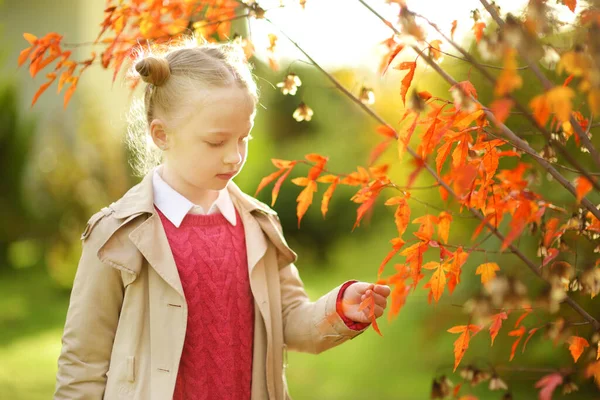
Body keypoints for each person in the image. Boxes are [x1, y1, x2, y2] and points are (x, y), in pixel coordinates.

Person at [53, 37, 391, 400]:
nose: (234, 157)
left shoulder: (259, 227)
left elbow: (289, 320)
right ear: (162, 135)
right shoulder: (117, 236)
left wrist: (339, 309)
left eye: (243, 138)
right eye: (216, 142)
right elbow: (82, 365)